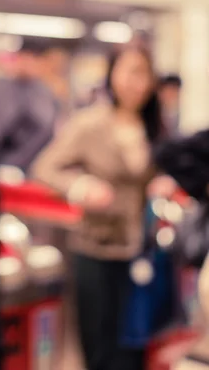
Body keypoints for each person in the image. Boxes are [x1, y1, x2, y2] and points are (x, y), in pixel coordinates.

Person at [31, 46, 175, 370]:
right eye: (129, 72)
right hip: (95, 247)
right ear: (112, 75)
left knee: (135, 343)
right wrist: (81, 187)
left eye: (143, 73)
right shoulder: (90, 123)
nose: (136, 83)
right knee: (99, 345)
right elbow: (45, 167)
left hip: (140, 250)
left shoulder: (153, 127)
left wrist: (163, 182)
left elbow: (161, 172)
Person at [0, 40, 60, 174]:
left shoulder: (45, 94)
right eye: (24, 57)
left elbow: (47, 133)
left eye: (32, 58)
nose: (26, 63)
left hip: (31, 167)